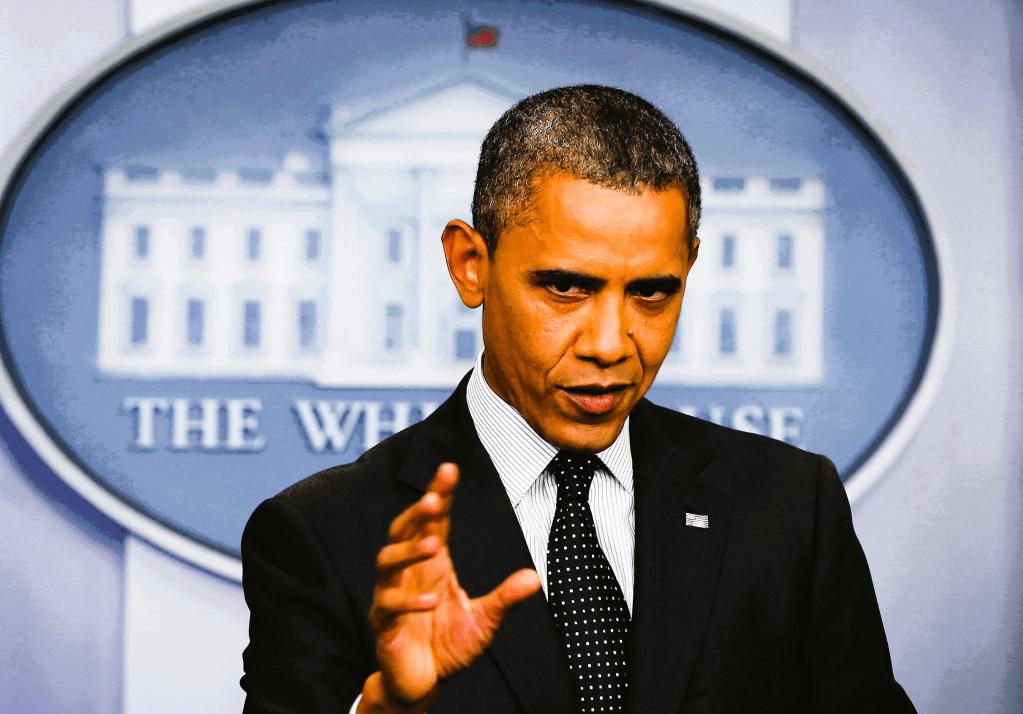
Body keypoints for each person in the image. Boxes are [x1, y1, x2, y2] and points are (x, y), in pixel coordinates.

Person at [241, 85, 916, 714]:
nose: (610, 344)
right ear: (470, 265)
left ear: (688, 267)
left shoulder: (790, 505)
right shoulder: (323, 535)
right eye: (566, 288)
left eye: (651, 292)